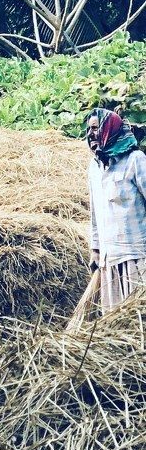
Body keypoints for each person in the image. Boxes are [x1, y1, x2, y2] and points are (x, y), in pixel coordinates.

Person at [85, 108, 146, 312]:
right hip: (109, 261)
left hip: (137, 257)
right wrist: (95, 249)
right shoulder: (95, 168)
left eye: (95, 128)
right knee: (114, 320)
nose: (90, 134)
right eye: (88, 130)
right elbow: (95, 213)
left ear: (110, 130)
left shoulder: (135, 160)